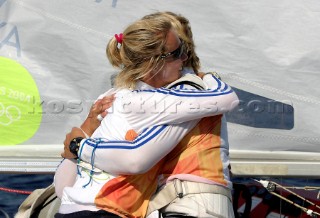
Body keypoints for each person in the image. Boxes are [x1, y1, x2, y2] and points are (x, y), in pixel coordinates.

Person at [55, 13, 238, 218]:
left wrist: (80, 139)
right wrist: (210, 77)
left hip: (69, 211)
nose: (184, 57)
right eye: (178, 52)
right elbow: (226, 99)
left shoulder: (111, 96)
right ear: (153, 63)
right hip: (106, 212)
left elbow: (62, 188)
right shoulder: (153, 101)